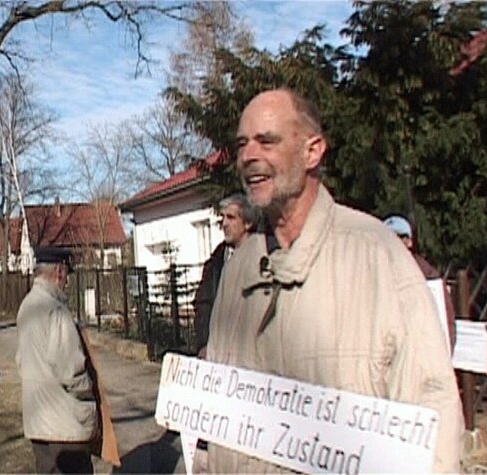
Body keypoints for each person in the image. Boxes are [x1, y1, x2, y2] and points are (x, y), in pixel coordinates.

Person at [206, 89, 463, 472]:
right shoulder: (239, 267)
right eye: (242, 143)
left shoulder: (376, 254)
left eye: (267, 141)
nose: (248, 156)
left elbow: (432, 404)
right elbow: (215, 403)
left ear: (313, 151)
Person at [16, 247, 99, 474]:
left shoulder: (26, 307)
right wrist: (91, 391)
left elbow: (21, 361)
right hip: (65, 427)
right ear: (59, 272)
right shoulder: (56, 311)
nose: (68, 283)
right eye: (67, 276)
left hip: (38, 422)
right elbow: (71, 371)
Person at [193, 193, 257, 357]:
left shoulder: (262, 259)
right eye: (222, 218)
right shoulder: (215, 264)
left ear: (248, 222)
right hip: (219, 355)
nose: (225, 224)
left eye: (231, 217)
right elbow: (203, 305)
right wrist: (204, 344)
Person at [384, 214, 457, 351]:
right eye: (385, 237)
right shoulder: (378, 272)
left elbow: (446, 323)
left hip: (423, 355)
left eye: (398, 237)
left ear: (409, 241)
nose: (391, 242)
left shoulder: (429, 277)